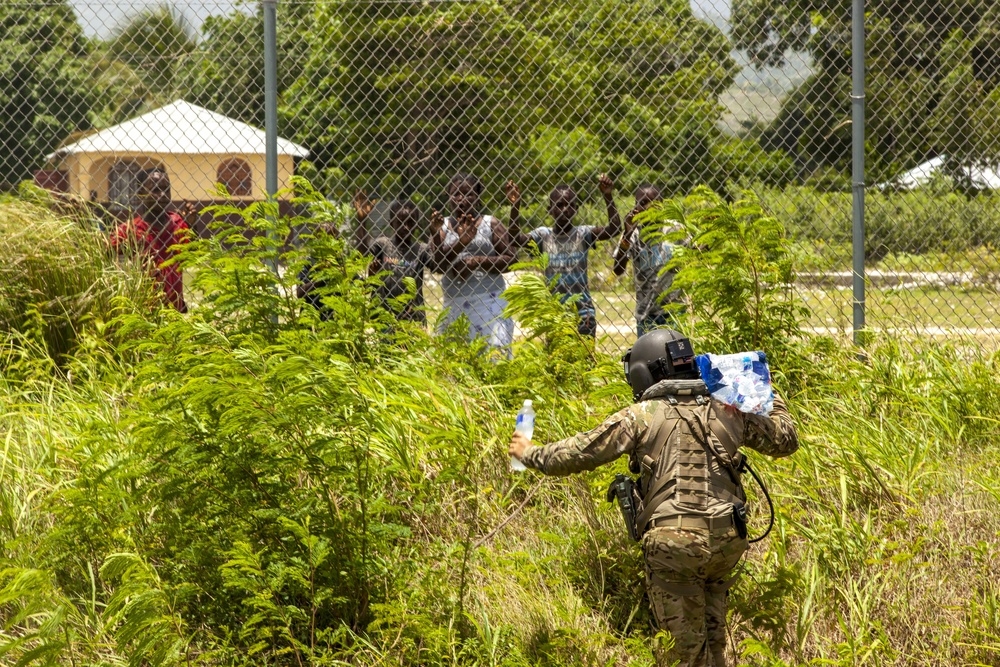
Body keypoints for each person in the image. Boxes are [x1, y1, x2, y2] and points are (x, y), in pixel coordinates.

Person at [509, 329, 799, 667]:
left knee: (685, 656)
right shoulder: (729, 408)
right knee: (713, 643)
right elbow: (785, 439)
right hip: (726, 541)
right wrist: (766, 389)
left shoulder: (642, 415)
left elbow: (577, 453)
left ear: (642, 374)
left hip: (674, 546)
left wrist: (529, 453)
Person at [505, 174, 622, 337]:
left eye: (569, 205)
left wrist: (608, 195)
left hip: (583, 314)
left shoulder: (583, 234)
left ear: (575, 209)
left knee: (585, 360)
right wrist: (515, 206)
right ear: (550, 210)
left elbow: (614, 229)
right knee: (558, 362)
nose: (565, 209)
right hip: (555, 315)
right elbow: (514, 239)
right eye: (559, 205)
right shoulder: (543, 236)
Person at [430, 173, 515, 350]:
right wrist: (461, 243)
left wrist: (476, 261)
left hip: (489, 302)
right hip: (455, 303)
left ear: (477, 197)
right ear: (449, 197)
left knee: (494, 356)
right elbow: (438, 266)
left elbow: (511, 259)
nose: (462, 199)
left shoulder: (489, 223)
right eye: (456, 194)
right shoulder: (441, 226)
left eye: (468, 194)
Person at [110, 169, 195, 312]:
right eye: (155, 190)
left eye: (166, 190)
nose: (162, 195)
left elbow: (192, 255)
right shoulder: (131, 229)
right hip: (146, 307)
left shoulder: (177, 223)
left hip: (174, 307)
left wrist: (193, 226)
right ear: (141, 194)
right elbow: (106, 251)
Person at [352, 191, 441, 326]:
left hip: (413, 318)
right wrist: (362, 220)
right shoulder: (383, 244)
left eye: (410, 223)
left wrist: (435, 235)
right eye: (400, 222)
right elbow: (362, 253)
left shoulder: (421, 249)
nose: (405, 227)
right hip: (384, 316)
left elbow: (438, 266)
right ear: (391, 222)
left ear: (417, 224)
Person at [612, 184, 684, 336]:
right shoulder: (632, 233)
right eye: (643, 203)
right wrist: (627, 235)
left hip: (674, 310)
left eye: (654, 202)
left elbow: (697, 251)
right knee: (649, 357)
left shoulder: (675, 229)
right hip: (646, 314)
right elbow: (618, 269)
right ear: (636, 207)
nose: (649, 207)